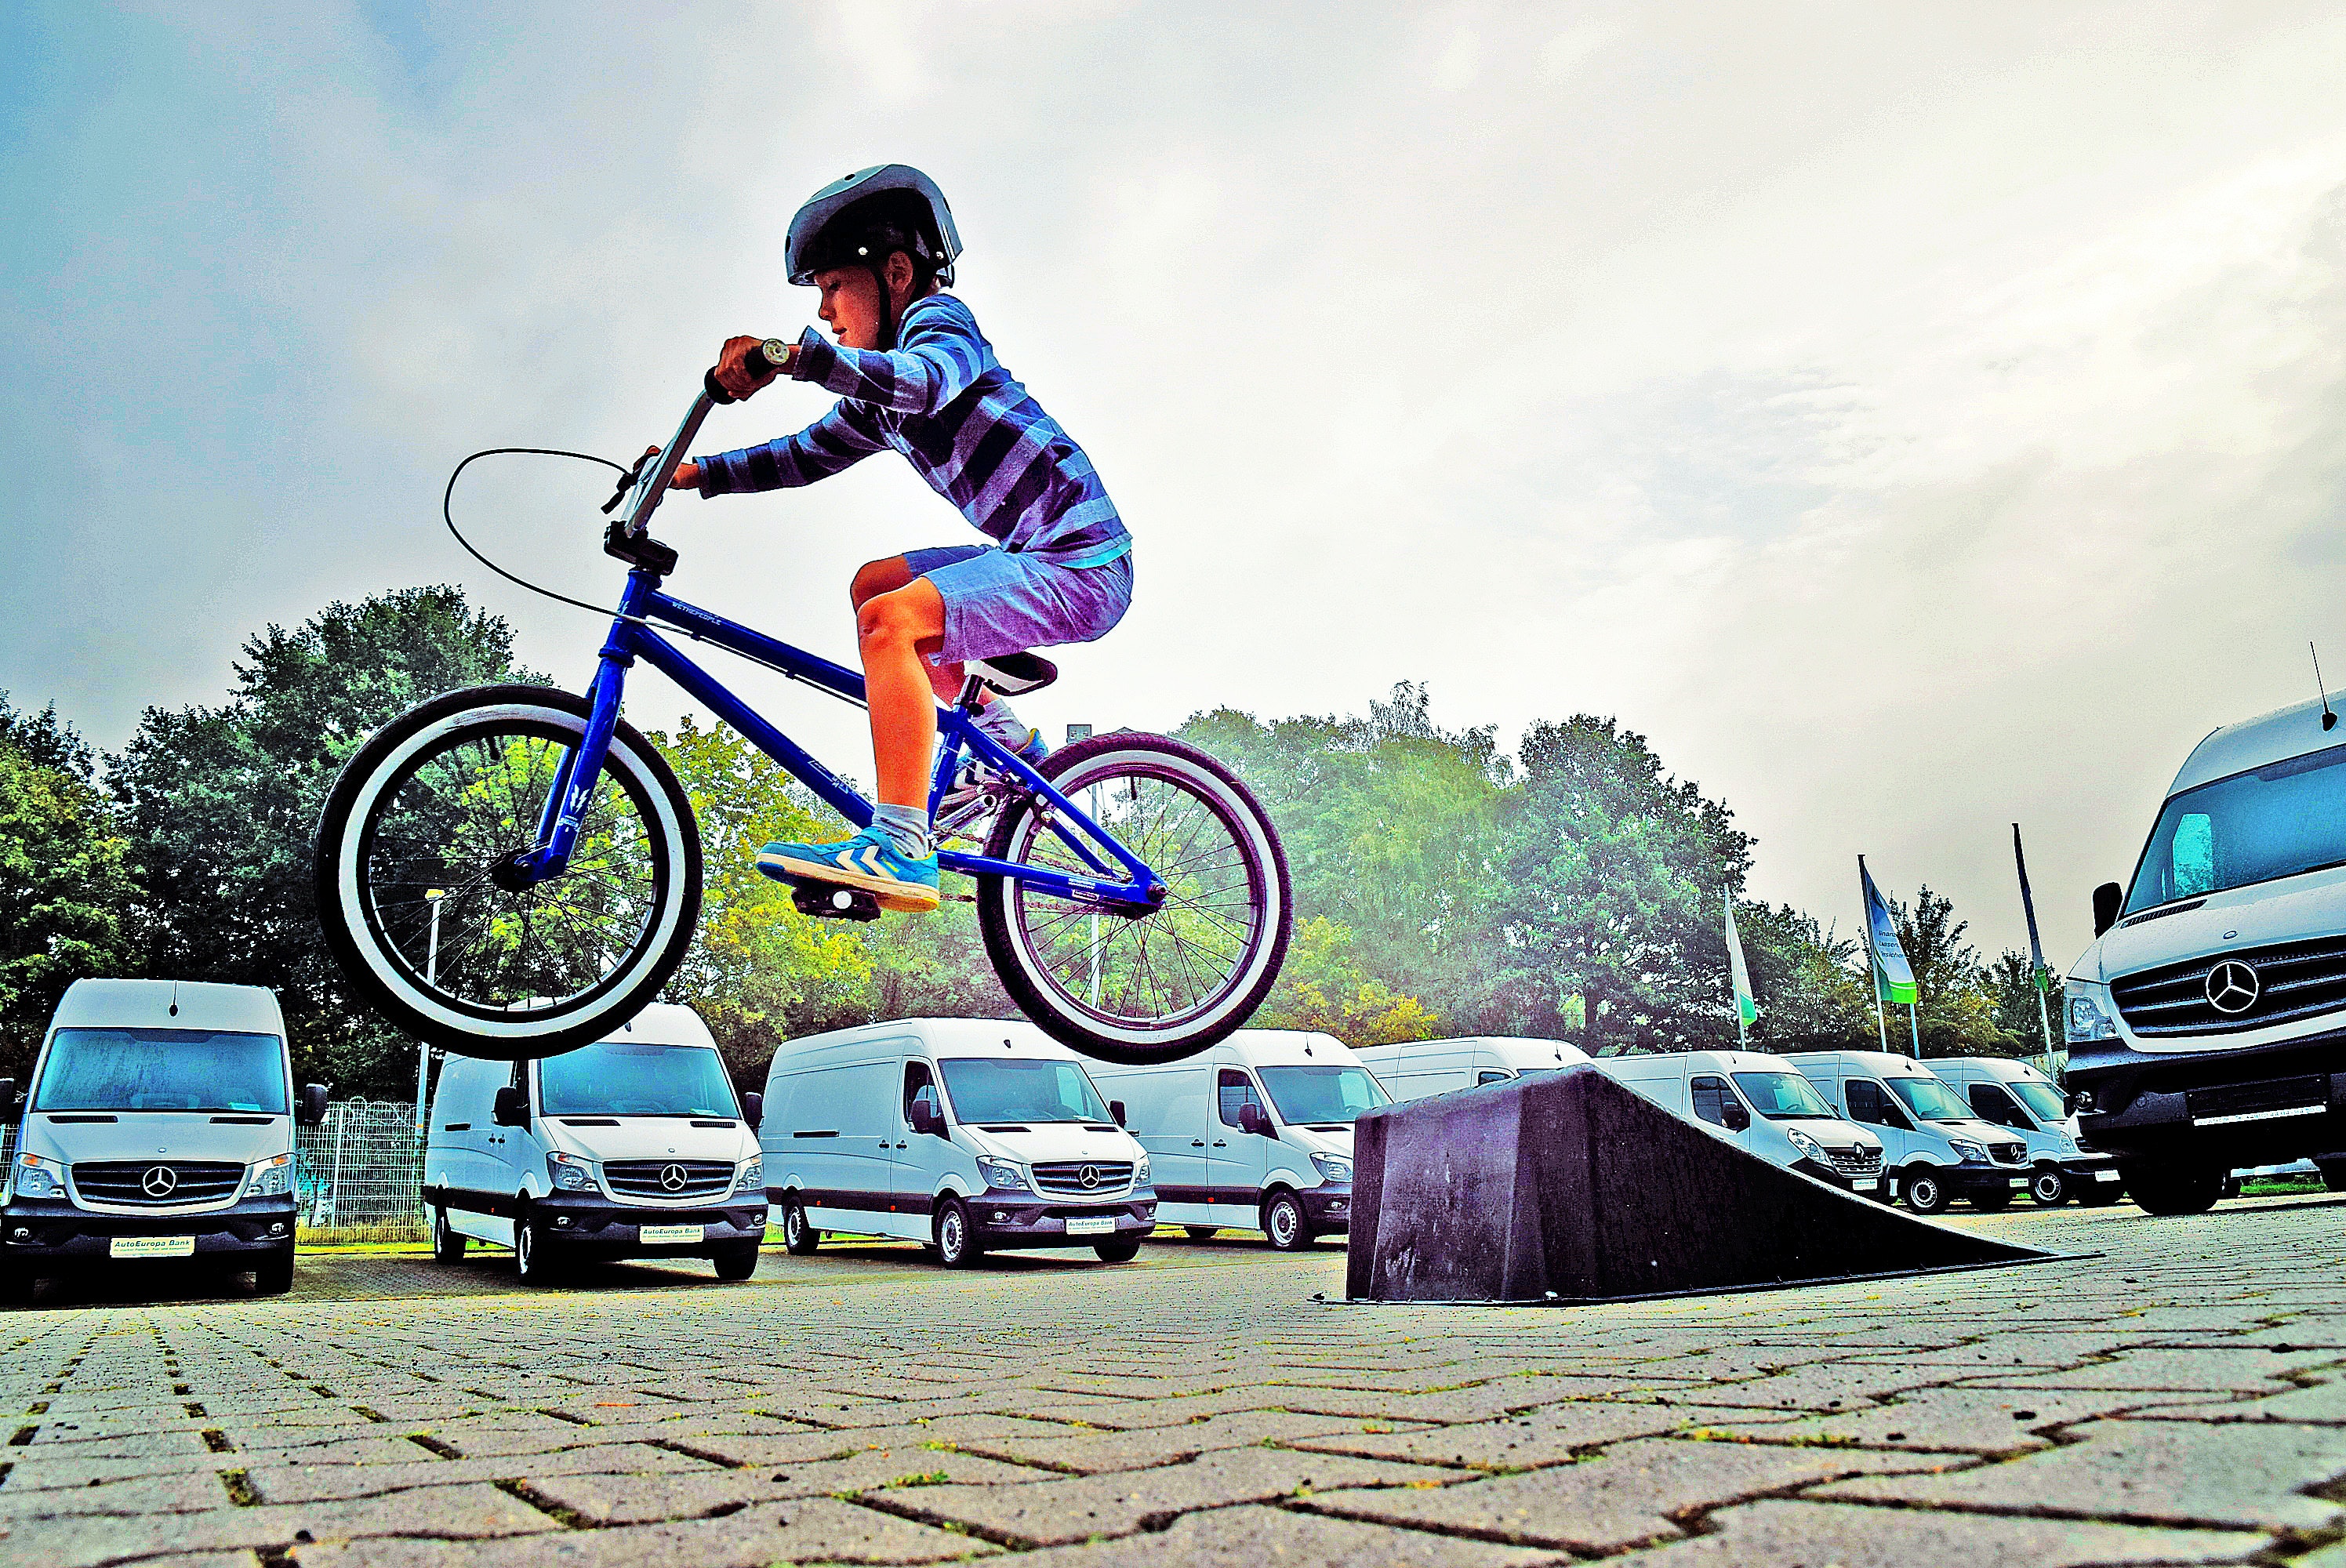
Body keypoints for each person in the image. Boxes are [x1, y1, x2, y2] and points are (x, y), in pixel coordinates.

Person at [660, 165, 1131, 914]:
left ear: (897, 274)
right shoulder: (874, 405)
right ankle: (1004, 741)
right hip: (1030, 556)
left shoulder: (941, 326)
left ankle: (902, 844)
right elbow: (802, 455)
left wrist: (795, 358)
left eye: (832, 288)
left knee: (891, 621)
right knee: (874, 585)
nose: (826, 313)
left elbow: (921, 380)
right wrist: (696, 474)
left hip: (1081, 563)